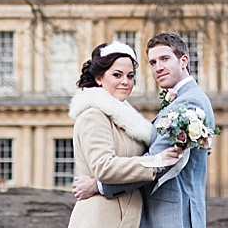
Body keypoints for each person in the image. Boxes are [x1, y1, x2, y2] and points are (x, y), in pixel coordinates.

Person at [73, 32, 215, 228]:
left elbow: (161, 159)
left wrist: (98, 186)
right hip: (104, 217)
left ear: (184, 61)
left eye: (165, 59)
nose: (158, 67)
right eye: (153, 62)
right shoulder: (95, 115)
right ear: (99, 78)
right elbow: (112, 164)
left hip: (174, 214)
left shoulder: (188, 102)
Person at [67, 41, 181, 228]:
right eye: (117, 75)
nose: (125, 82)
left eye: (130, 76)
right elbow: (104, 167)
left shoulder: (124, 118)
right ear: (99, 78)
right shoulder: (94, 115)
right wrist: (155, 161)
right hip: (100, 218)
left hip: (125, 216)